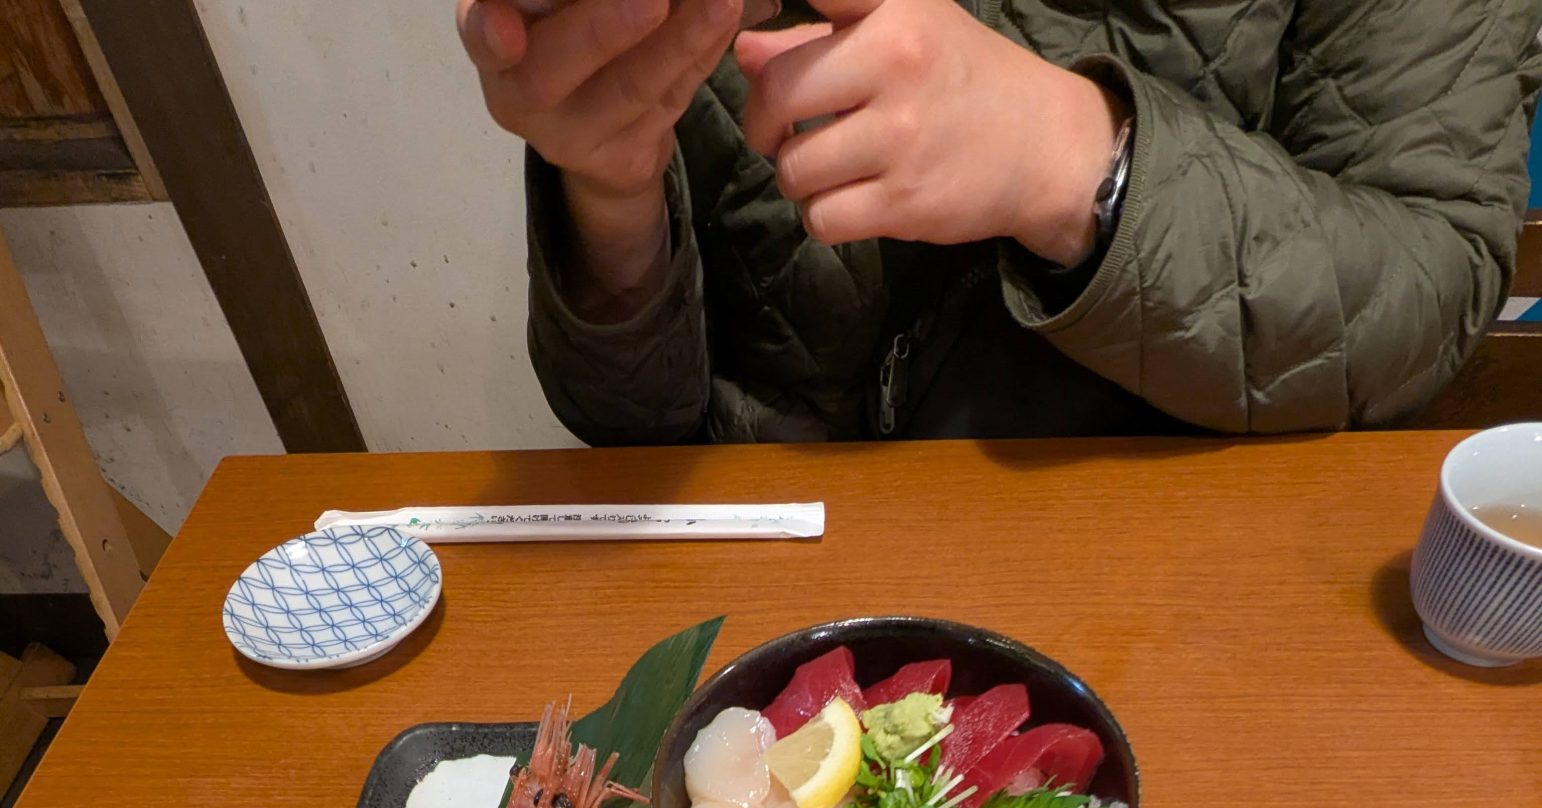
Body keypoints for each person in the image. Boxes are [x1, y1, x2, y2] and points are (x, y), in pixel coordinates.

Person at [456, 0, 1542, 442]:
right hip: (778, 569)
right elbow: (632, 423)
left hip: (1188, 549)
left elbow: (1430, 280)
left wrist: (1076, 165)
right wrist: (610, 197)